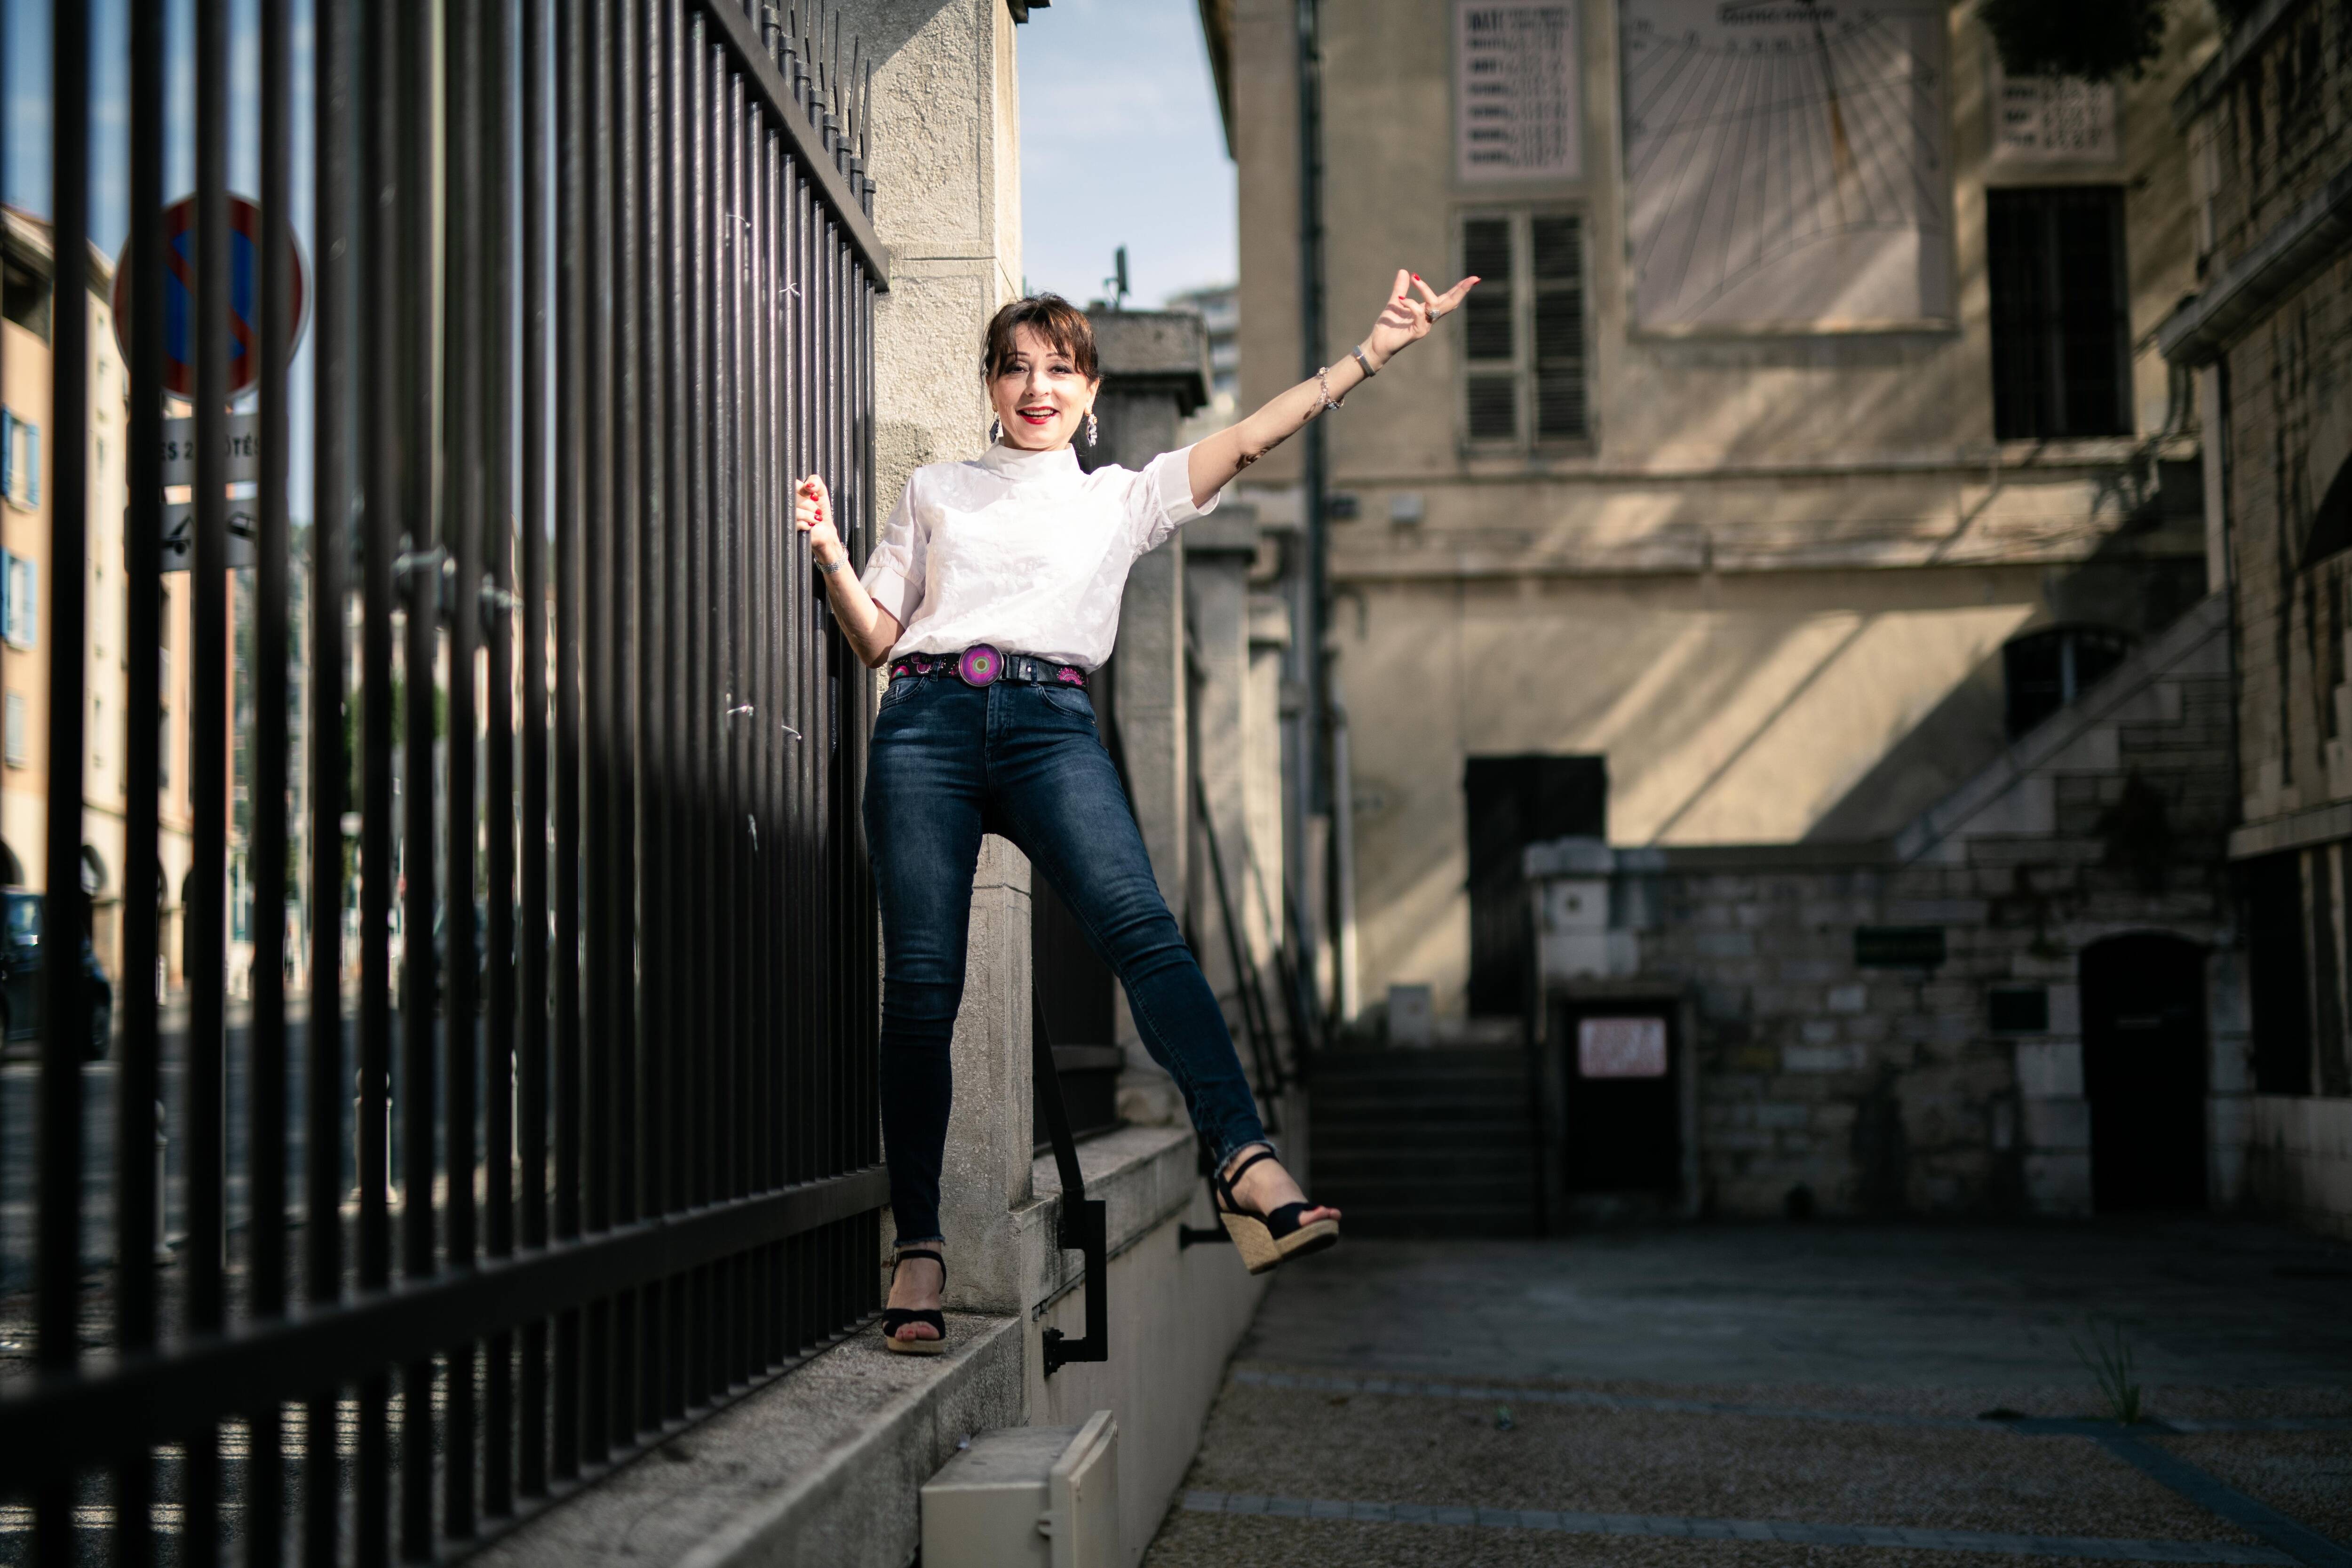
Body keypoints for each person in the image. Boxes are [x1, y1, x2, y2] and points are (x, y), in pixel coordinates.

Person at [794, 268, 1478, 1353]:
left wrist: (1373, 352)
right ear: (988, 384)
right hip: (924, 722)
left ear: (1090, 392)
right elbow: (880, 637)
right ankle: (916, 1245)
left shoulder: (1122, 496)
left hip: (1050, 725)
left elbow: (1251, 437)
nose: (1035, 386)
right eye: (1015, 367)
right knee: (922, 985)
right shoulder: (935, 490)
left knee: (1143, 930)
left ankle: (1244, 1158)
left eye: (1058, 369)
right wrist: (831, 552)